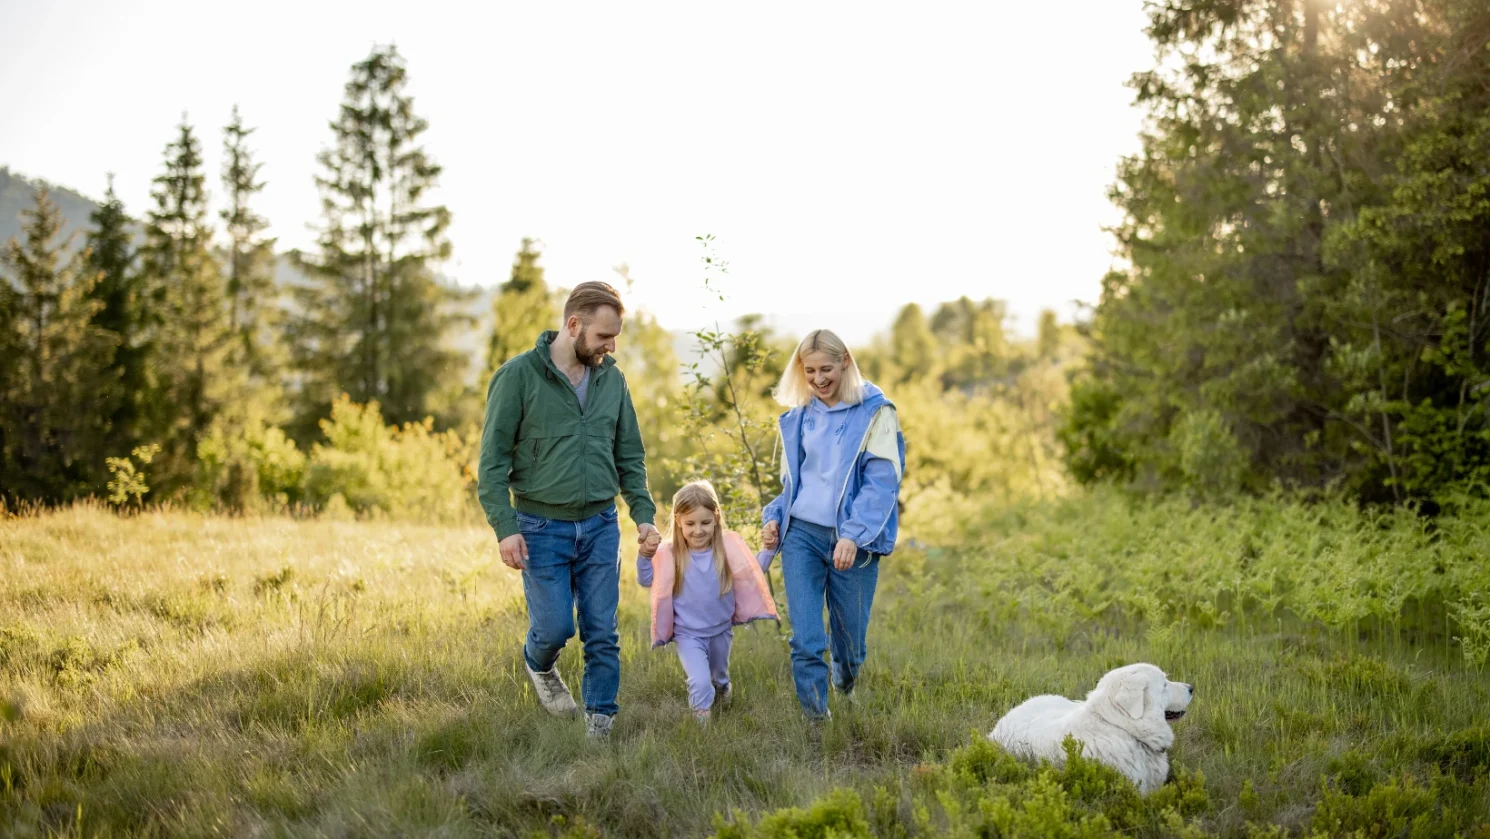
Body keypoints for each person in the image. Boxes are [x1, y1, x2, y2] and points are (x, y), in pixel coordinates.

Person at [478, 281, 660, 739]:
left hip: (600, 525)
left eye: (615, 336)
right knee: (556, 627)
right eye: (603, 336)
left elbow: (630, 456)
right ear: (573, 325)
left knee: (602, 630)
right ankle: (539, 665)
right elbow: (493, 463)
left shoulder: (612, 380)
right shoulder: (517, 377)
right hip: (540, 527)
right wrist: (505, 527)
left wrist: (643, 515)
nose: (610, 346)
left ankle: (600, 724)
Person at [760, 328, 905, 720]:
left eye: (827, 369)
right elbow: (795, 485)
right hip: (802, 536)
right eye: (809, 372)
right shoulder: (800, 416)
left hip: (852, 540)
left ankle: (845, 684)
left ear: (846, 361)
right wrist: (774, 517)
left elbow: (882, 483)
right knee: (807, 639)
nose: (819, 380)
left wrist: (853, 536)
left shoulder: (876, 411)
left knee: (850, 643)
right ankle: (815, 723)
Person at [636, 481, 778, 722]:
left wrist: (768, 549)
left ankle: (722, 690)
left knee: (718, 677)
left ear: (716, 519)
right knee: (700, 682)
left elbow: (751, 571)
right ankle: (701, 727)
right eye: (690, 524)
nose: (698, 530)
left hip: (721, 630)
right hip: (688, 634)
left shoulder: (725, 549)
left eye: (705, 523)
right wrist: (645, 555)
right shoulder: (670, 554)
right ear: (679, 521)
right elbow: (646, 579)